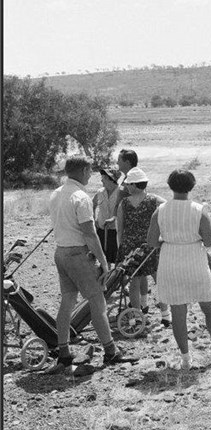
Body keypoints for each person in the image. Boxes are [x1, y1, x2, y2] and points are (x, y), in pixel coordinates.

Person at [147, 169, 211, 370]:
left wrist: (169, 240)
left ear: (170, 186)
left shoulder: (160, 210)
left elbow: (151, 241)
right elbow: (210, 241)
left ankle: (186, 359)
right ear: (192, 186)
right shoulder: (198, 210)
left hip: (170, 261)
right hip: (194, 261)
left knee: (178, 312)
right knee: (210, 309)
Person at [48, 156, 127, 371]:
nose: (91, 175)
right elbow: (90, 235)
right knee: (97, 302)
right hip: (78, 255)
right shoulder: (80, 197)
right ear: (82, 170)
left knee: (67, 303)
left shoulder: (56, 194)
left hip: (61, 253)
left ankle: (63, 353)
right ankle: (110, 351)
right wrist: (103, 261)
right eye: (89, 170)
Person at [116, 167, 171, 327]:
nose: (126, 187)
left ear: (134, 185)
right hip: (150, 245)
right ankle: (166, 315)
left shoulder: (124, 203)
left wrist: (122, 249)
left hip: (131, 247)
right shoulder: (155, 200)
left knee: (134, 281)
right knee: (158, 279)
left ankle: (136, 316)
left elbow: (120, 228)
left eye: (128, 184)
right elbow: (170, 208)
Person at [92, 167, 122, 266]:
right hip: (102, 231)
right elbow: (92, 205)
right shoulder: (100, 192)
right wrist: (93, 220)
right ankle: (106, 280)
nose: (101, 180)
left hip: (116, 233)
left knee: (118, 262)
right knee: (104, 262)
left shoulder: (121, 193)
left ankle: (116, 281)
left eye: (104, 178)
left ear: (111, 179)